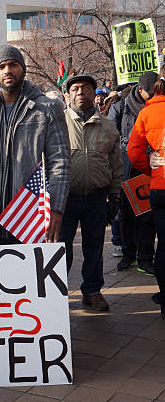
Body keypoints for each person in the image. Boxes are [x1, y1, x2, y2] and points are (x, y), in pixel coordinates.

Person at [0, 44, 71, 243]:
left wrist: (56, 208)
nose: (7, 70)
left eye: (13, 65)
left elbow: (60, 162)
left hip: (32, 216)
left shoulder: (47, 108)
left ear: (23, 69)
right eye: (2, 66)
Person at [59, 74, 123, 312]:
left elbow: (116, 165)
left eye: (85, 88)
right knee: (61, 248)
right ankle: (56, 294)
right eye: (75, 89)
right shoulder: (57, 122)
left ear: (94, 94)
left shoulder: (108, 127)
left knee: (94, 247)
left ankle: (93, 291)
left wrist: (115, 195)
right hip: (63, 198)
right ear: (68, 95)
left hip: (97, 197)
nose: (80, 93)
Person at [108, 71, 158, 275]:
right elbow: (111, 135)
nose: (153, 96)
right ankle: (128, 254)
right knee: (126, 213)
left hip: (148, 164)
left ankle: (145, 258)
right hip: (126, 165)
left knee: (146, 214)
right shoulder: (120, 107)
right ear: (140, 91)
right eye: (149, 93)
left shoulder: (155, 107)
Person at [127, 69, 165, 318]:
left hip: (160, 187)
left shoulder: (146, 112)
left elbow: (133, 151)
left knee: (163, 245)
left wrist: (151, 168)